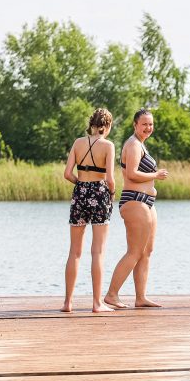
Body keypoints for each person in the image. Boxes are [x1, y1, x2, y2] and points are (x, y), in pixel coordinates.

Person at [104, 109, 168, 309]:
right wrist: (155, 175)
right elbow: (131, 174)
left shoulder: (141, 145)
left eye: (150, 124)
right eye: (144, 124)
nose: (148, 128)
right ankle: (111, 295)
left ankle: (141, 297)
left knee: (147, 251)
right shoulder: (132, 144)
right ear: (135, 125)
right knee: (134, 251)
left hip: (147, 202)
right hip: (135, 201)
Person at [62, 108, 116, 313]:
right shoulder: (108, 146)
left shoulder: (78, 143)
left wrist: (81, 184)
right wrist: (111, 192)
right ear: (107, 125)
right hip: (100, 194)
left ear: (91, 124)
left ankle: (68, 303)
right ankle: (96, 303)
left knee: (74, 252)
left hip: (79, 194)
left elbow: (67, 173)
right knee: (98, 252)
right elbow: (110, 178)